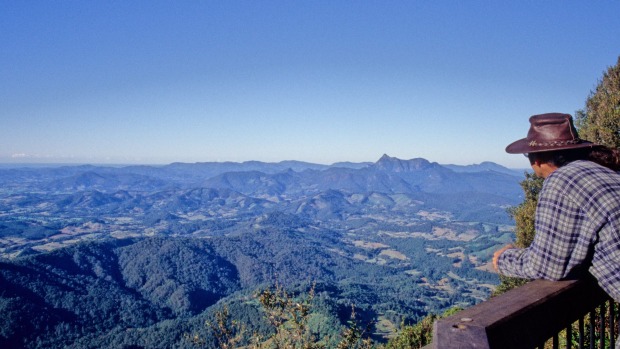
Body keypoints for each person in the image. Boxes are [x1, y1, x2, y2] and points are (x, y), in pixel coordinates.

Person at [493, 113, 620, 307]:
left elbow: (547, 266)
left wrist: (504, 258)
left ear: (537, 159)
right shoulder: (605, 172)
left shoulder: (561, 182)